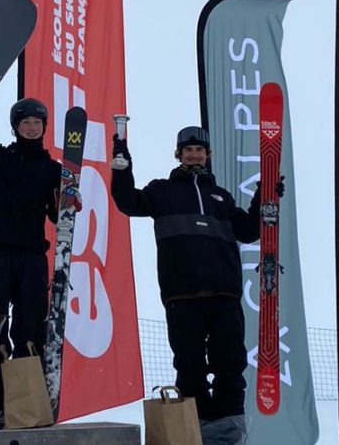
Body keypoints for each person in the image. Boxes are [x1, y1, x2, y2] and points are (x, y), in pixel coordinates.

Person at [111, 126, 283, 445]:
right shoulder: (161, 191)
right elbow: (128, 202)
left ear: (208, 155)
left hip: (224, 295)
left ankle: (229, 432)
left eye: (199, 150)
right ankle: (198, 430)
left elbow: (248, 230)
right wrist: (121, 163)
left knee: (230, 363)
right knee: (190, 366)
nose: (194, 154)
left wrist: (265, 196)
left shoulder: (222, 197)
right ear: (178, 154)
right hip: (182, 295)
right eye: (188, 149)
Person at [0, 97, 65, 415]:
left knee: (31, 329)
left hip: (32, 258)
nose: (32, 128)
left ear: (44, 127)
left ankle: (27, 398)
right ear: (16, 127)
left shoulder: (53, 170)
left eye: (37, 123)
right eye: (25, 123)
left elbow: (57, 216)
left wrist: (68, 204)